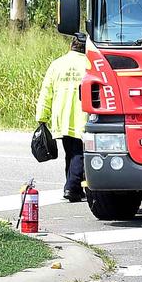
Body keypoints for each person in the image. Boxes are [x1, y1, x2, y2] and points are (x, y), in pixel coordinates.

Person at [35, 33, 89, 202]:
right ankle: (72, 187)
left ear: (71, 45)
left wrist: (42, 117)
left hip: (62, 117)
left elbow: (46, 93)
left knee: (71, 153)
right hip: (82, 116)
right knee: (80, 153)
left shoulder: (57, 64)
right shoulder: (90, 64)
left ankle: (75, 186)